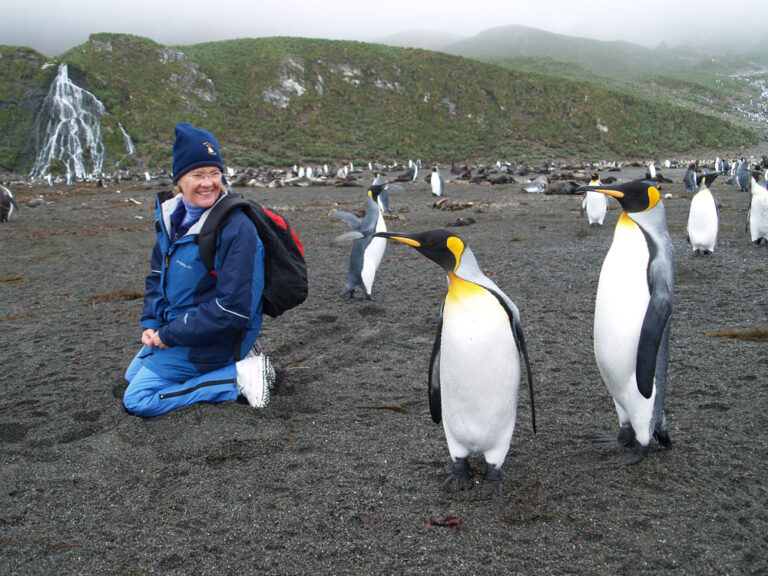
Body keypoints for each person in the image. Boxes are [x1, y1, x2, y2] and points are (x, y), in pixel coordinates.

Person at [123, 122, 272, 417]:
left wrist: (170, 335)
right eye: (198, 175)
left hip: (217, 335)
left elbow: (234, 309)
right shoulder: (172, 219)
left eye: (214, 173)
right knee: (132, 375)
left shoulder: (236, 227)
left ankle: (238, 378)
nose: (208, 183)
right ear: (180, 179)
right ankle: (228, 370)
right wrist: (151, 324)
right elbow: (157, 277)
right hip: (183, 327)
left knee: (138, 398)